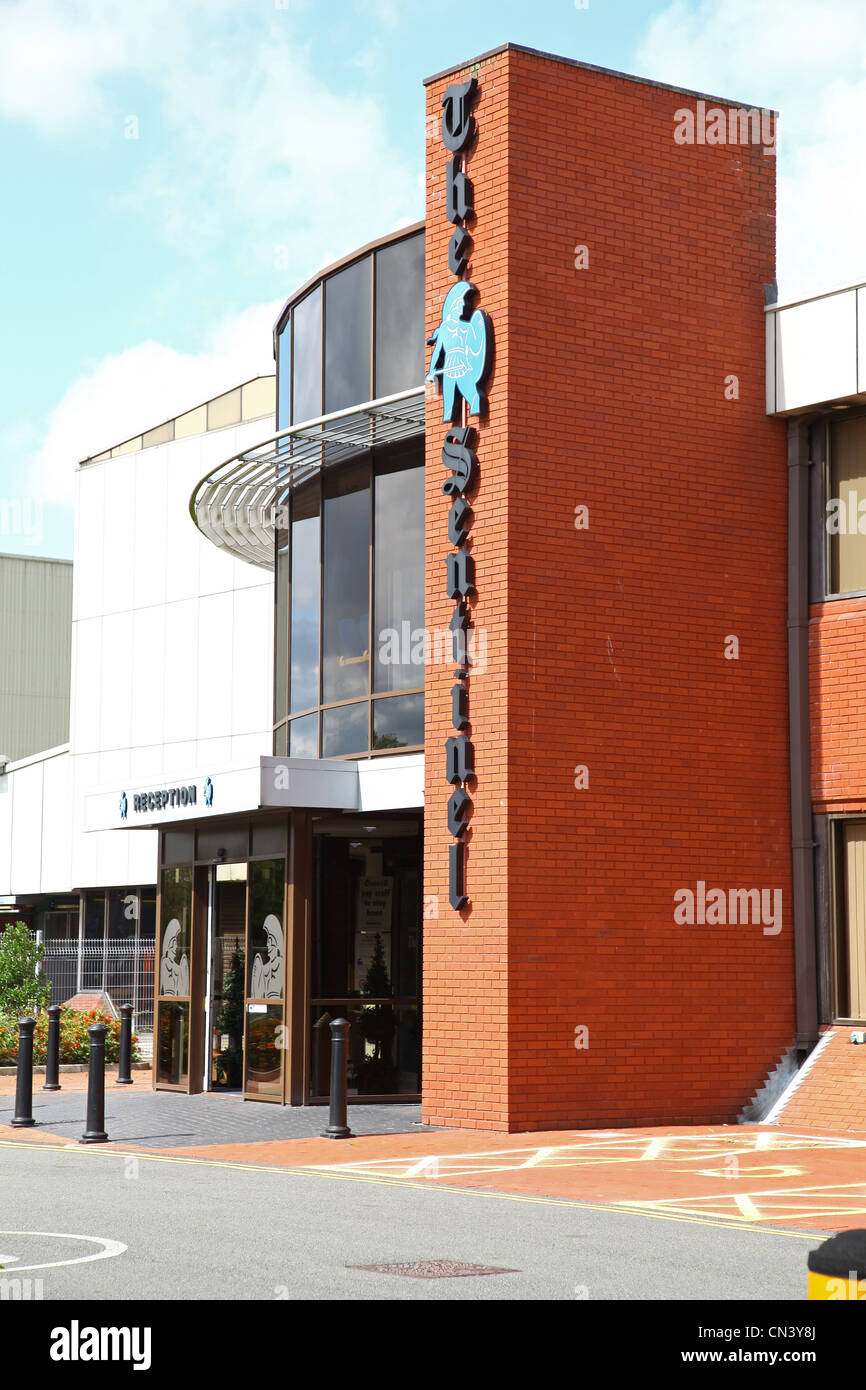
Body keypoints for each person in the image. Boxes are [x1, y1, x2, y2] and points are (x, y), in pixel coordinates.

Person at [250, 914, 283, 999]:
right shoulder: (267, 966)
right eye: (268, 940)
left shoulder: (279, 962)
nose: (267, 944)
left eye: (270, 940)